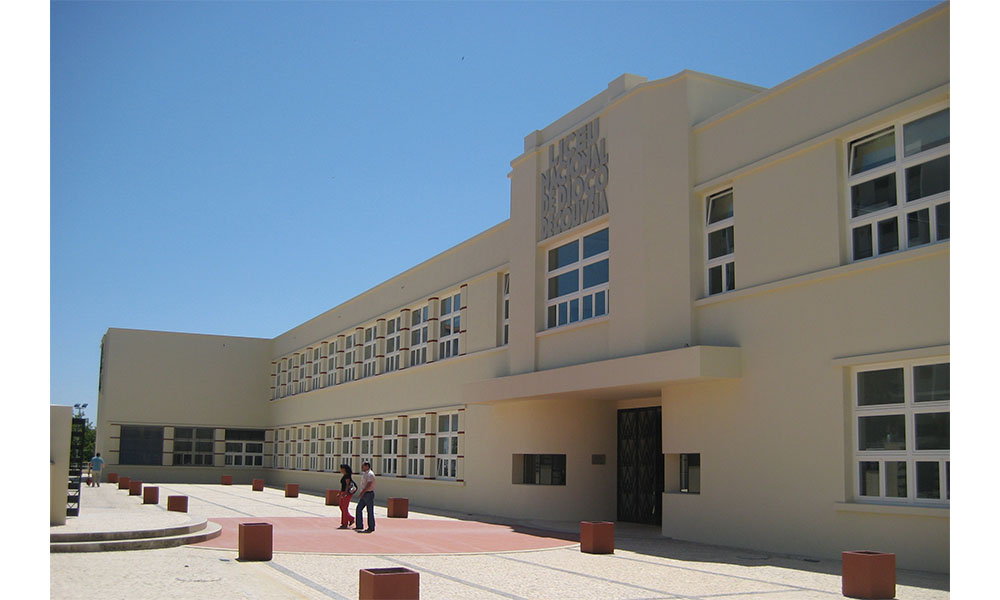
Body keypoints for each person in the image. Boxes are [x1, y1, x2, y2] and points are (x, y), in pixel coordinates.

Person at [354, 461, 376, 533]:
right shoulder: (365, 474)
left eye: (363, 466)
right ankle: (359, 525)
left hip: (368, 494)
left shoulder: (370, 474)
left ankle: (371, 527)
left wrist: (362, 492)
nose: (362, 467)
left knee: (369, 511)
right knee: (359, 508)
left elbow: (369, 484)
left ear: (367, 466)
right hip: (364, 494)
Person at [336, 464, 357, 529]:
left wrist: (345, 493)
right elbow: (343, 486)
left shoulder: (347, 476)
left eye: (341, 468)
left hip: (347, 493)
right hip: (343, 492)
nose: (341, 470)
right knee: (342, 507)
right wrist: (340, 492)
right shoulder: (344, 475)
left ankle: (344, 523)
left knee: (344, 508)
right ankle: (351, 519)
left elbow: (347, 485)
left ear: (344, 469)